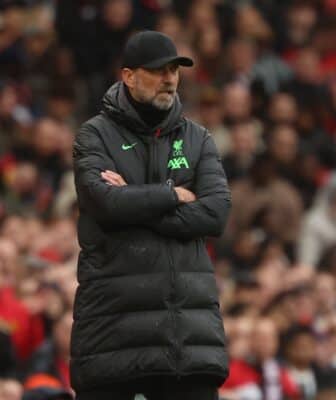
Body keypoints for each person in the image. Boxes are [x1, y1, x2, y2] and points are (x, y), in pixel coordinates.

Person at [70, 31, 231, 399]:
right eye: (159, 70)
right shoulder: (94, 135)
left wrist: (134, 201)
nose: (170, 78)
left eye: (174, 69)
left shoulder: (198, 138)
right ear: (128, 76)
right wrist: (173, 195)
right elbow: (105, 203)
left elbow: (216, 215)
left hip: (187, 343)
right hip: (113, 339)